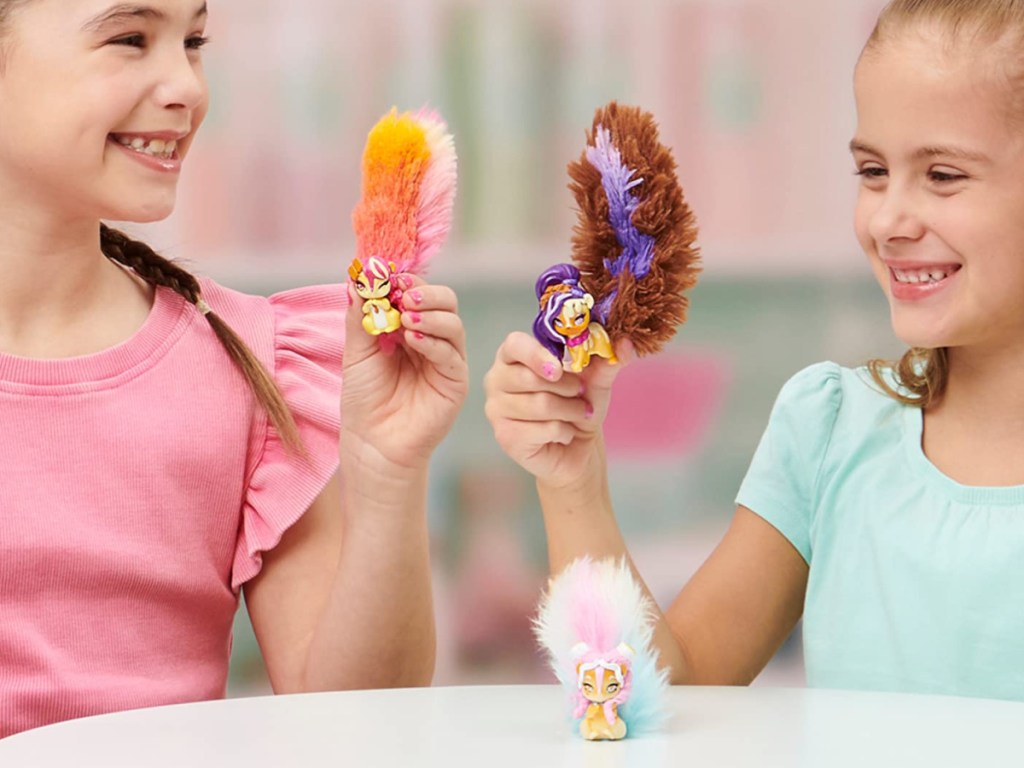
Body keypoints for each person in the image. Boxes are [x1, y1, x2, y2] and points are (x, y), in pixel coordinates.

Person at [485, 0, 1024, 702]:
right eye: (872, 172)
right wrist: (570, 481)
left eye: (943, 175)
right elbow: (666, 692)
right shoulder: (829, 432)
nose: (889, 219)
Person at [0, 0, 468, 738]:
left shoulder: (251, 363)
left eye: (193, 41)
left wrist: (385, 472)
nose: (186, 84)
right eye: (130, 38)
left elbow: (359, 718)